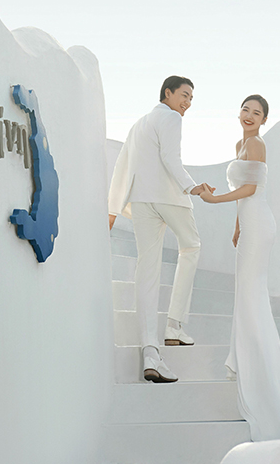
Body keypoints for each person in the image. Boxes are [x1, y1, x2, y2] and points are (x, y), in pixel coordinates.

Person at [198, 94, 280, 442]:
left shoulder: (257, 144)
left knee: (251, 294)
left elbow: (250, 188)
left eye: (256, 113)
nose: (249, 115)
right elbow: (243, 193)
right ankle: (247, 360)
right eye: (245, 109)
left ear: (264, 121)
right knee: (245, 293)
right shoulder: (240, 145)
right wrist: (236, 225)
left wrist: (214, 200)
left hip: (260, 225)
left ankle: (260, 370)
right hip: (248, 223)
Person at [108, 75, 213, 384]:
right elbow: (170, 157)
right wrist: (192, 187)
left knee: (147, 270)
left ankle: (150, 352)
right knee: (191, 247)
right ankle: (174, 325)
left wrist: (113, 208)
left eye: (191, 98)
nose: (187, 102)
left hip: (141, 201)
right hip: (170, 198)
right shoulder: (170, 118)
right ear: (167, 93)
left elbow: (122, 166)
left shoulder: (138, 124)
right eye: (184, 94)